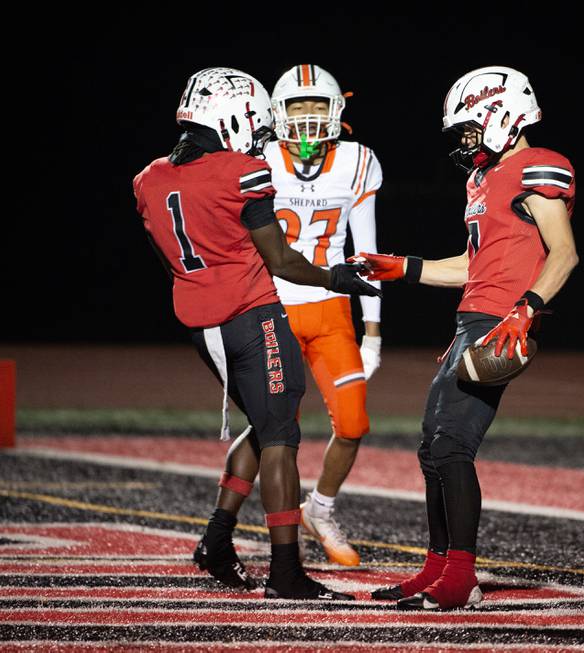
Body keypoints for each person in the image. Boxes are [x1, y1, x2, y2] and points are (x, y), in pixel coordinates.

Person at [132, 67, 380, 600]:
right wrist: (337, 277)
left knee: (266, 426)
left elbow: (167, 256)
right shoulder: (243, 172)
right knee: (282, 436)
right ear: (234, 116)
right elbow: (283, 260)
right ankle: (286, 572)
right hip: (253, 316)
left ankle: (217, 542)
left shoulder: (149, 179)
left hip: (201, 325)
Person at [354, 66, 578, 610]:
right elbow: (470, 265)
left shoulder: (538, 166)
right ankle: (436, 568)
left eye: (470, 127)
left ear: (502, 114)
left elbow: (565, 253)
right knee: (432, 445)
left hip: (503, 322)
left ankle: (461, 577)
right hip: (472, 317)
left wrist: (527, 309)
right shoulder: (480, 180)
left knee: (453, 443)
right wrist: (404, 268)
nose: (464, 140)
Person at [220, 64, 383, 567]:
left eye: (318, 106)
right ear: (277, 113)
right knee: (272, 431)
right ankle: (222, 525)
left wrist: (373, 329)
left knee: (353, 422)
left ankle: (321, 509)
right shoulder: (256, 159)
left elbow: (366, 251)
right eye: (298, 106)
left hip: (332, 310)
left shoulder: (357, 162)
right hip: (272, 309)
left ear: (338, 111)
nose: (309, 118)